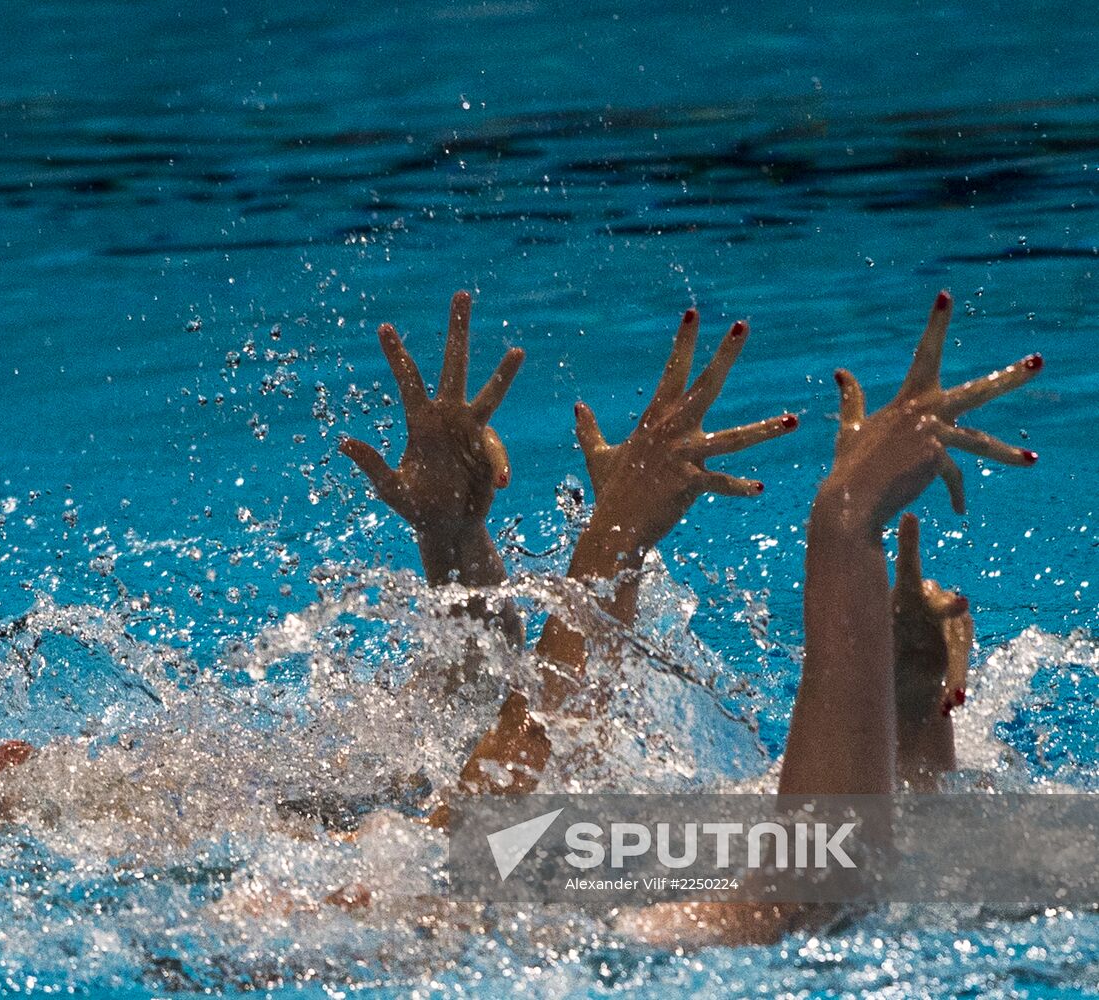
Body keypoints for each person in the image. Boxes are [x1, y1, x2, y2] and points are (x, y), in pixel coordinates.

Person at [341, 288, 1040, 943]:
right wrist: (846, 525)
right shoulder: (544, 938)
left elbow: (518, 771)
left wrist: (909, 706)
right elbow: (811, 893)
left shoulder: (385, 890)